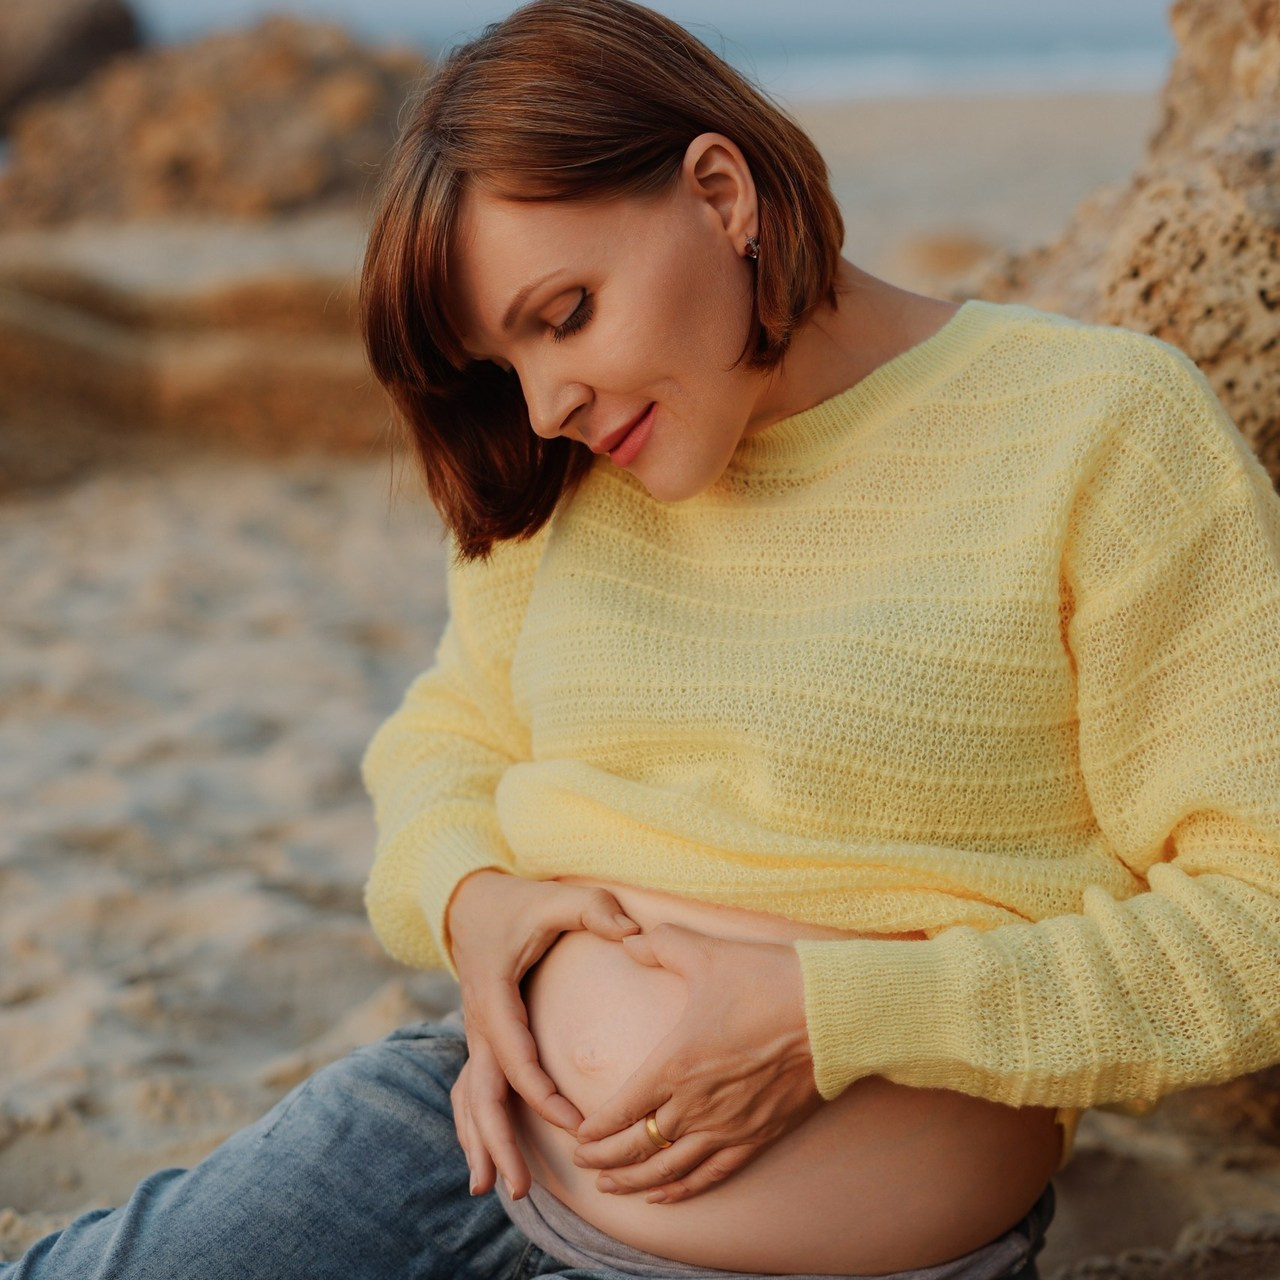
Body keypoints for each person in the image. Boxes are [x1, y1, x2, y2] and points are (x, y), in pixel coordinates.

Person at [3, 1, 1279, 1277]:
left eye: (563, 314)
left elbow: (1256, 918)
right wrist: (469, 898)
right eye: (500, 362)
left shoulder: (1099, 432)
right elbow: (444, 735)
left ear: (720, 194)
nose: (544, 405)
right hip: (460, 1142)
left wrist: (830, 1017)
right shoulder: (563, 474)